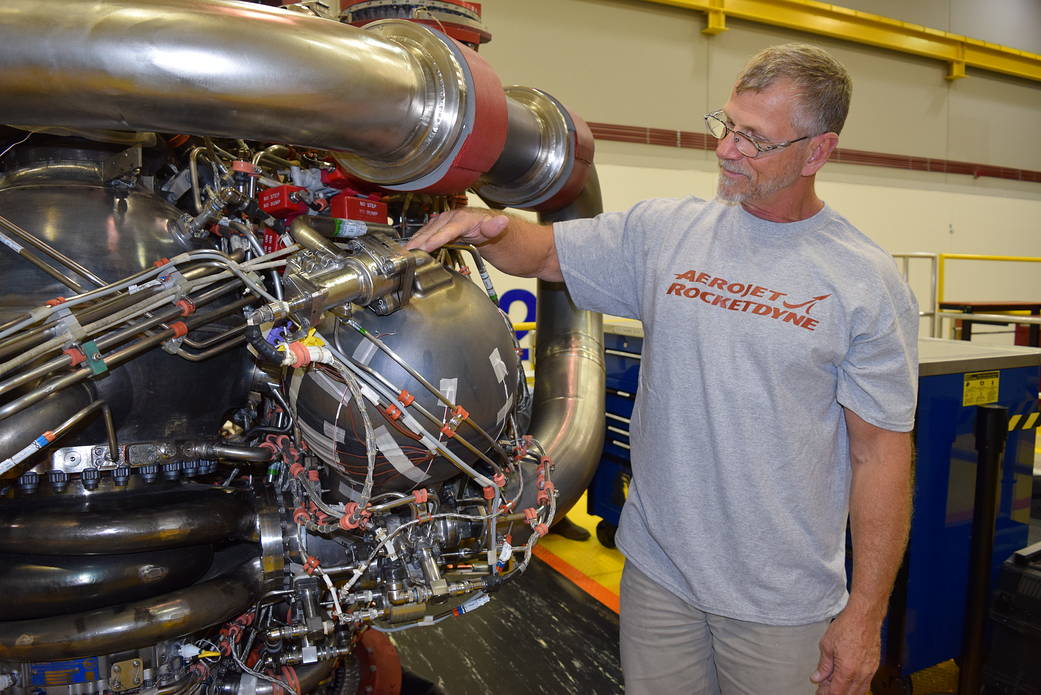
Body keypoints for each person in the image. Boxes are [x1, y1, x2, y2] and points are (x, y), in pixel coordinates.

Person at [407, 44, 918, 695]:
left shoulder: (861, 281)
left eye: (753, 139)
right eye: (725, 125)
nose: (726, 150)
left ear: (815, 152)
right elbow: (546, 252)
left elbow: (880, 456)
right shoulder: (665, 233)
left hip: (779, 606)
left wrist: (864, 616)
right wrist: (490, 227)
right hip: (658, 580)